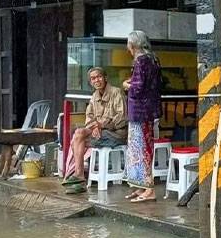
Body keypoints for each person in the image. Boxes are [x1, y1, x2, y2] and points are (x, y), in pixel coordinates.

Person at [62, 66, 127, 187]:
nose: (96, 80)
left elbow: (122, 118)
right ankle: (79, 174)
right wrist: (95, 127)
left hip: (117, 134)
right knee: (78, 133)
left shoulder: (116, 92)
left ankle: (79, 175)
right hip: (100, 133)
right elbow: (89, 117)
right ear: (90, 82)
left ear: (105, 78)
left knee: (77, 140)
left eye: (99, 77)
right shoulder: (94, 96)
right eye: (93, 79)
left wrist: (102, 125)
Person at [122, 30, 163, 202]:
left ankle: (149, 189)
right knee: (140, 148)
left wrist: (127, 85)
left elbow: (138, 88)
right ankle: (140, 186)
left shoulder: (140, 61)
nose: (127, 48)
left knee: (142, 149)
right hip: (150, 110)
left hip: (140, 112)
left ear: (133, 45)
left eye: (128, 44)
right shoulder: (154, 59)